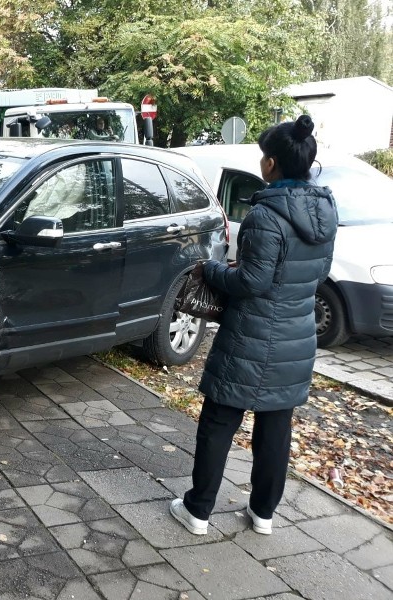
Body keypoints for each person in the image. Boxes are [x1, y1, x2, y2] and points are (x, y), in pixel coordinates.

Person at [169, 115, 337, 536]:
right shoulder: (325, 212)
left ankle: (198, 510)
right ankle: (263, 513)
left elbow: (252, 281)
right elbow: (316, 275)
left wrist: (212, 270)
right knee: (275, 431)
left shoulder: (266, 215)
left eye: (264, 156)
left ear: (272, 164)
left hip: (250, 336)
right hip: (295, 339)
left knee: (219, 422)